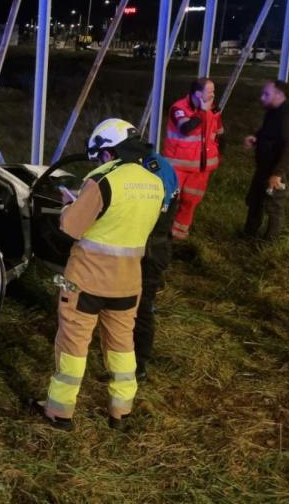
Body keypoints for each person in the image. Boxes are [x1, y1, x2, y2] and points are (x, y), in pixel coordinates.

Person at [33, 118, 164, 431]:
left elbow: (71, 227)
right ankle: (121, 410)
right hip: (129, 282)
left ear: (108, 153)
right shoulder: (154, 181)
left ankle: (60, 412)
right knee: (122, 346)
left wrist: (72, 206)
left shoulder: (103, 179)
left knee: (73, 345)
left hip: (86, 281)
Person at [133, 150, 179, 382]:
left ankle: (138, 365)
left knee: (141, 308)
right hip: (156, 248)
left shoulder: (148, 173)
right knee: (140, 305)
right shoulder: (159, 164)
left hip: (148, 252)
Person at [162, 78, 224, 240]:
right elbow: (186, 129)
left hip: (201, 168)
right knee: (168, 201)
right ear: (198, 94)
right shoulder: (179, 108)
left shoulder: (214, 111)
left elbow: (219, 134)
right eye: (210, 91)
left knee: (191, 202)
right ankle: (158, 234)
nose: (213, 95)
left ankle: (178, 235)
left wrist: (219, 155)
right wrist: (202, 112)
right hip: (177, 166)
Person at [243, 80, 289, 241]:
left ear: (279, 95)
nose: (262, 97)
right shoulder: (273, 112)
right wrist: (256, 137)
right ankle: (249, 234)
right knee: (255, 200)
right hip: (264, 167)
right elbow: (268, 133)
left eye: (266, 94)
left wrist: (278, 174)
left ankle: (270, 242)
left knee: (274, 206)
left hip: (277, 170)